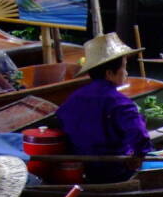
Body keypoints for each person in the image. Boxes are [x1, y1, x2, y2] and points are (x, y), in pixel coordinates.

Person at [55, 33, 153, 184]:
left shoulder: (73, 97)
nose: (126, 73)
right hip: (114, 170)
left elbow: (61, 121)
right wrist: (138, 157)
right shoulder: (121, 103)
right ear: (109, 73)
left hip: (81, 168)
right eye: (124, 67)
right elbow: (140, 136)